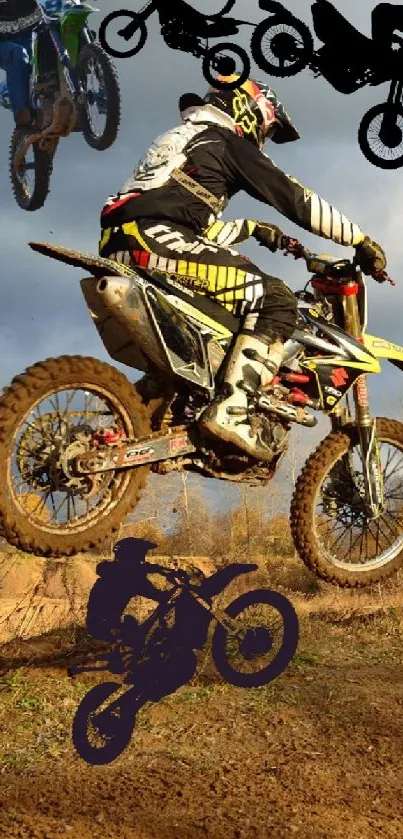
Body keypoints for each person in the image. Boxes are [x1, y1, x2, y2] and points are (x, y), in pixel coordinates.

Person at [98, 75, 387, 462]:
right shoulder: (225, 140)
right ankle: (232, 411)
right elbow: (294, 197)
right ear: (250, 112)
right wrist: (359, 240)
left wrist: (252, 229)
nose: (263, 138)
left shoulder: (187, 136)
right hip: (154, 237)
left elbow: (181, 211)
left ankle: (145, 415)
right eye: (266, 128)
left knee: (215, 327)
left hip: (124, 241)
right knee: (276, 300)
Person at [0, 0, 60, 127]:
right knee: (17, 54)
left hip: (34, 33)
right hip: (4, 42)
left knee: (63, 27)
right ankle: (22, 112)